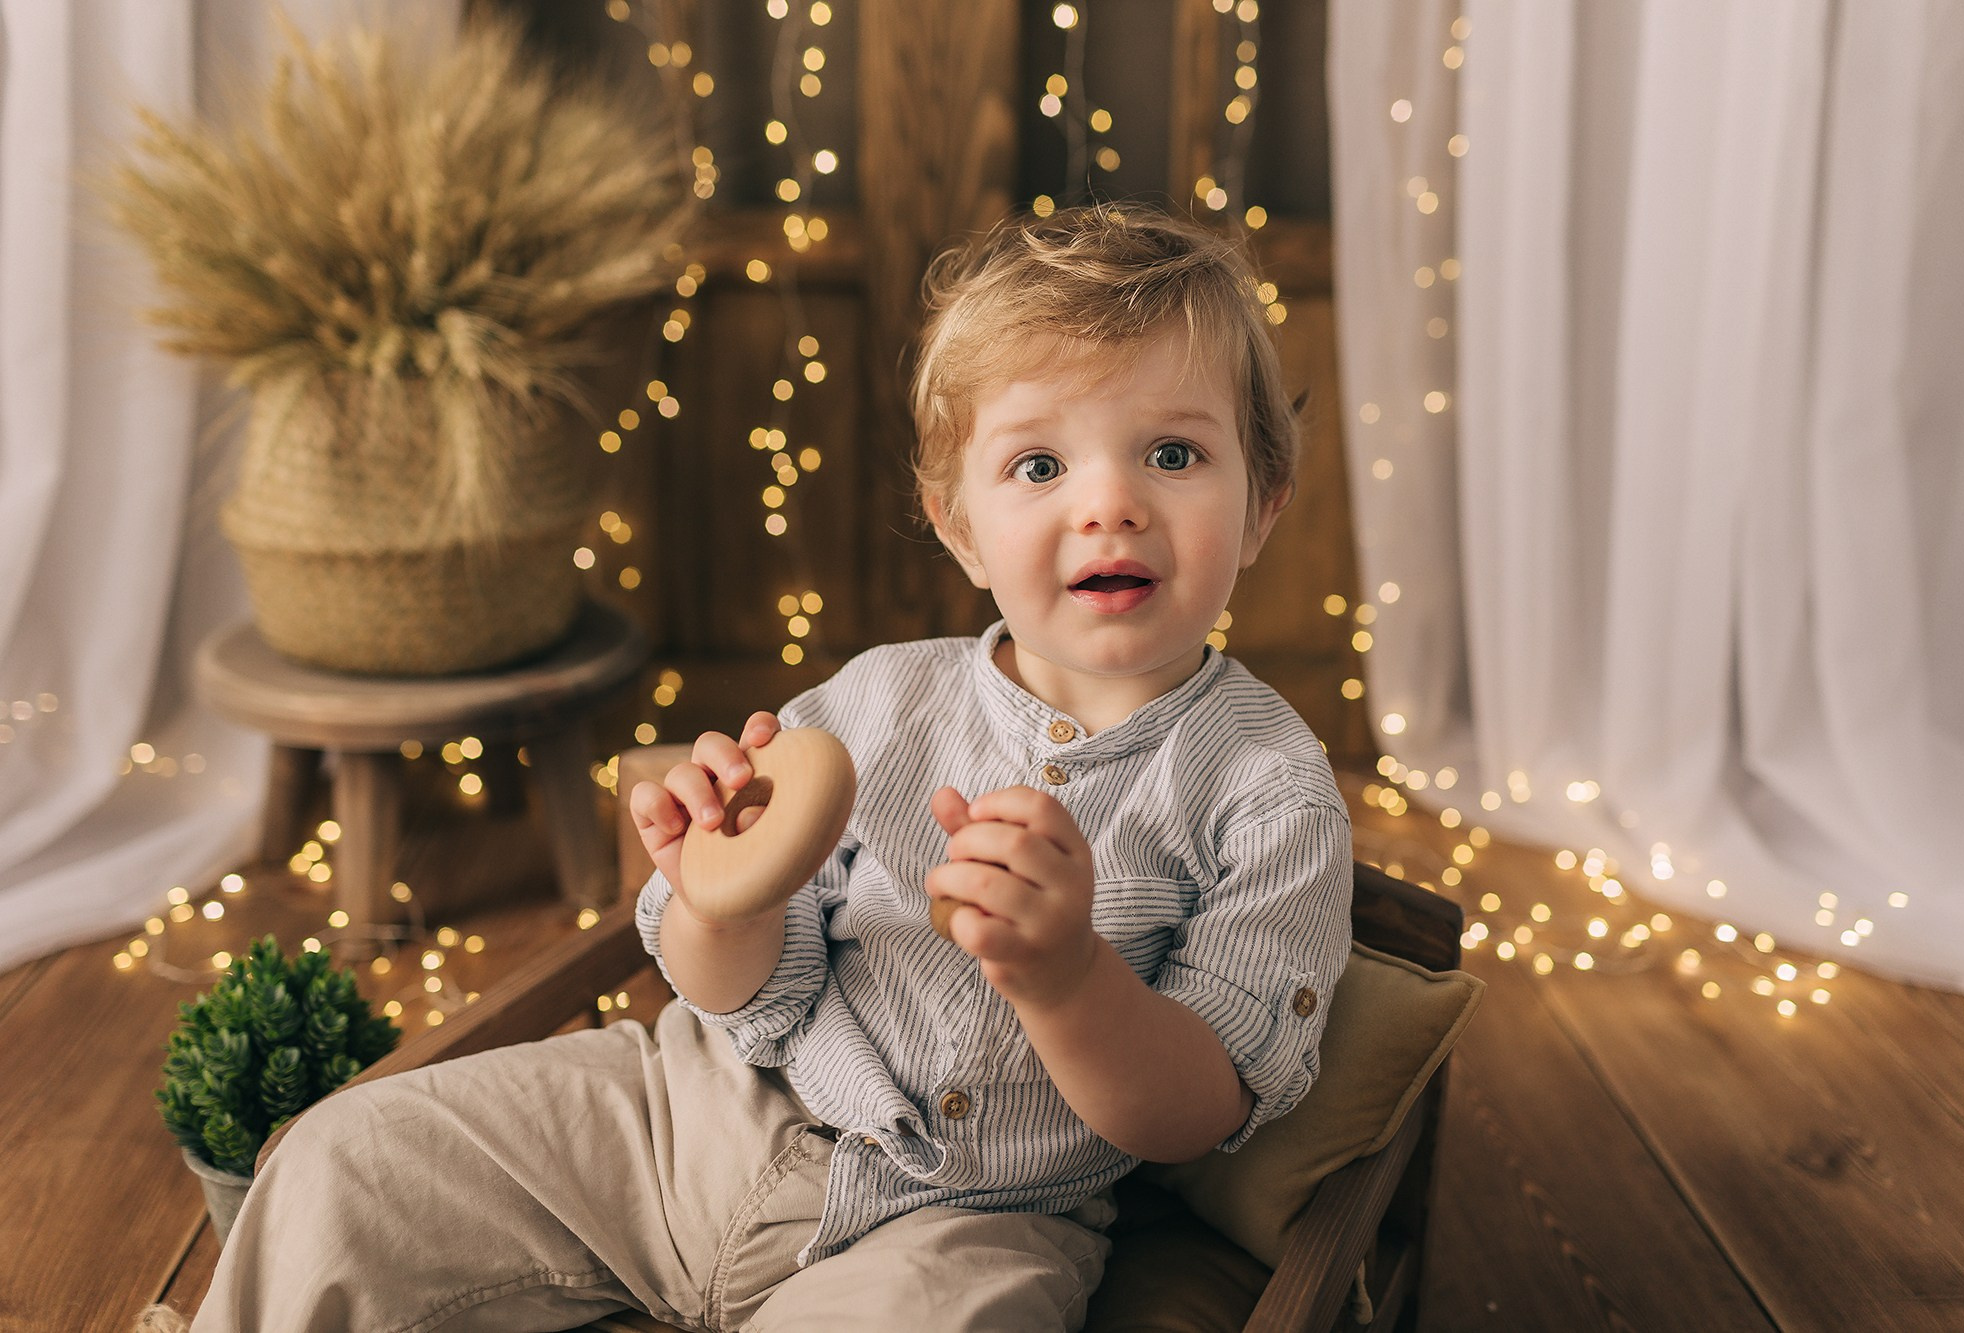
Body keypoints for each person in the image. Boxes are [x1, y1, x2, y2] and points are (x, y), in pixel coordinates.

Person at [178, 203, 1351, 1333]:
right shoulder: (875, 702)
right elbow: (726, 984)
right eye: (1038, 466)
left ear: (1259, 507)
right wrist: (713, 891)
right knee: (347, 1162)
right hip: (689, 1112)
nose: (1109, 504)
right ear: (958, 530)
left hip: (968, 1218)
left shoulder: (1267, 791)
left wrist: (1066, 978)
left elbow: (1199, 1111)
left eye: (1171, 452)